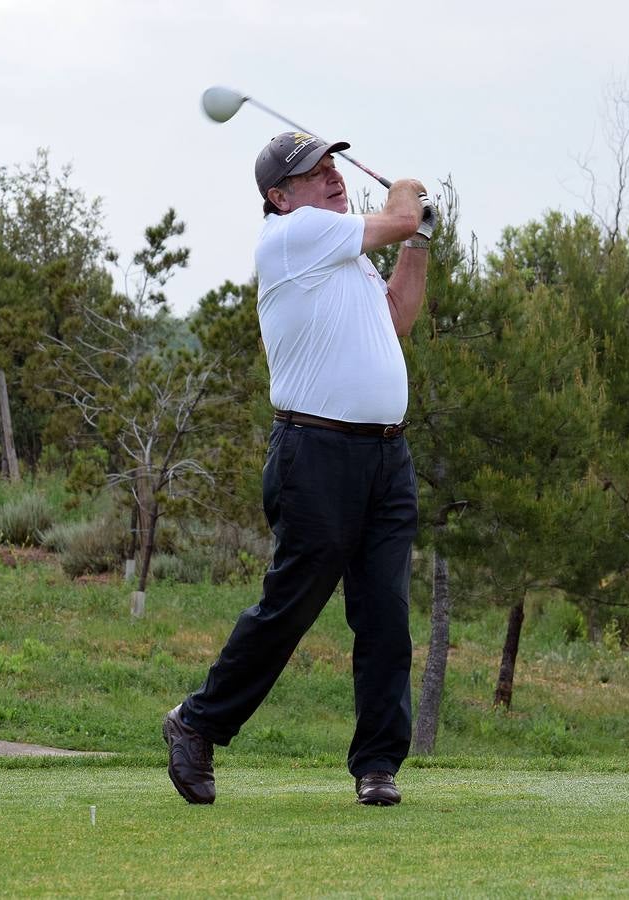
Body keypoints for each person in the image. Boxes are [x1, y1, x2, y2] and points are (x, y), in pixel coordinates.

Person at [164, 131, 435, 806]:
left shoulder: (341, 250)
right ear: (279, 198)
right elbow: (399, 209)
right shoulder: (295, 236)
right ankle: (197, 722)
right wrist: (410, 193)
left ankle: (378, 766)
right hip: (314, 454)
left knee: (385, 615)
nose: (333, 177)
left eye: (332, 165)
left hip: (385, 457)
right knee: (292, 604)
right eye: (313, 173)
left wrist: (419, 242)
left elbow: (397, 316)